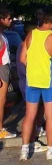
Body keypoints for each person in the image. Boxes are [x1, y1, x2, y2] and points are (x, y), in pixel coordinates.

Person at [20, 6, 52, 161]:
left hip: (31, 80)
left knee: (29, 115)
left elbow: (22, 59)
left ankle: (25, 150)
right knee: (50, 115)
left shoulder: (30, 35)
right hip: (49, 82)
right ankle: (51, 149)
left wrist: (34, 67)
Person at [16, 21, 47, 151]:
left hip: (28, 81)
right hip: (30, 81)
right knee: (31, 113)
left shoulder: (22, 45)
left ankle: (36, 131)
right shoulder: (26, 46)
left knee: (35, 109)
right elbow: (25, 65)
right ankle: (32, 141)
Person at [0, 9, 16, 139]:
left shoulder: (3, 34)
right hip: (1, 68)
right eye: (8, 18)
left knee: (3, 99)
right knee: (1, 100)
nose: (10, 21)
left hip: (4, 67)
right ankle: (0, 129)